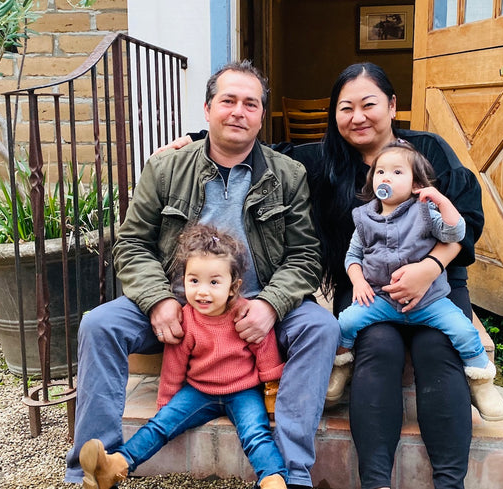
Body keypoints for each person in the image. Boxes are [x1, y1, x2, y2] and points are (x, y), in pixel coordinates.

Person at [163, 62, 484, 488]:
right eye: (345, 107)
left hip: (437, 285)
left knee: (436, 350)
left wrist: (429, 268)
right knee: (377, 350)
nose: (358, 117)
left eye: (369, 105)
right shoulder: (326, 159)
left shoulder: (429, 151)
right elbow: (267, 149)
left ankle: (449, 483)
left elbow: (467, 219)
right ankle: (375, 482)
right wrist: (200, 140)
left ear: (391, 105)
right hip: (367, 288)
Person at [64, 60, 340, 489]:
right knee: (99, 324)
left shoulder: (288, 176)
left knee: (320, 326)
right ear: (208, 108)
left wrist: (270, 304)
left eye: (251, 104)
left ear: (262, 117)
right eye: (228, 100)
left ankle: (292, 475)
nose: (238, 112)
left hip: (256, 309)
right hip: (179, 306)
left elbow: (305, 255)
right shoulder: (166, 169)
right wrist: (158, 300)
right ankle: (93, 470)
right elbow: (131, 244)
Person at [79, 224, 288, 489]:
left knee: (256, 434)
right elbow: (174, 363)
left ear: (233, 287)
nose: (202, 291)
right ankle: (115, 466)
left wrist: (271, 388)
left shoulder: (245, 314)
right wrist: (167, 402)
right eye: (194, 281)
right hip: (199, 391)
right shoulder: (186, 318)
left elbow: (265, 347)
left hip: (244, 391)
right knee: (158, 427)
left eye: (214, 282)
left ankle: (272, 478)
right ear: (183, 280)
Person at [327, 140, 503, 423]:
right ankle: (341, 366)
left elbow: (454, 232)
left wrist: (442, 201)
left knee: (463, 330)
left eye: (397, 172)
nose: (386, 177)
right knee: (345, 323)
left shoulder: (425, 212)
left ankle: (482, 382)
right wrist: (358, 281)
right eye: (380, 172)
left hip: (428, 301)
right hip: (382, 299)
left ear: (415, 185)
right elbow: (353, 256)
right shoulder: (365, 218)